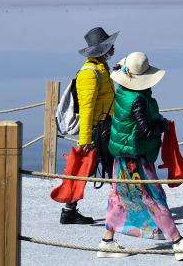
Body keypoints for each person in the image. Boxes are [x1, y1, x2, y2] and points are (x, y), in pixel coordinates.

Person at [97, 51, 183, 260]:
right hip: (136, 159)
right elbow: (146, 130)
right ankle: (177, 242)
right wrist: (162, 125)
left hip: (121, 156)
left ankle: (107, 242)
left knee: (118, 197)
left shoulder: (122, 92)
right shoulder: (137, 99)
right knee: (154, 197)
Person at [61, 27, 119, 225]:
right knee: (88, 169)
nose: (113, 48)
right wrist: (85, 140)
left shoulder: (101, 69)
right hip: (96, 130)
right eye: (110, 45)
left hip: (104, 127)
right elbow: (86, 109)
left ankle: (119, 207)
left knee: (111, 168)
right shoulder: (90, 73)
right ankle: (69, 211)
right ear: (102, 49)